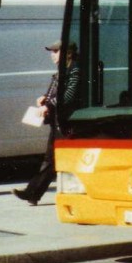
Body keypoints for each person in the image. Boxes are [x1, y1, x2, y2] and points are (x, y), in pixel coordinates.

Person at [14, 41, 81, 205]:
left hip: (68, 122)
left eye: (56, 51)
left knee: (60, 159)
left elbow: (68, 96)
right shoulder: (62, 71)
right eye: (52, 51)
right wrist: (44, 98)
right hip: (58, 121)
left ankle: (33, 193)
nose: (52, 54)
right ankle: (32, 193)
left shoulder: (75, 70)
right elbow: (55, 92)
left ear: (68, 53)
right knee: (51, 159)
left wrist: (49, 104)